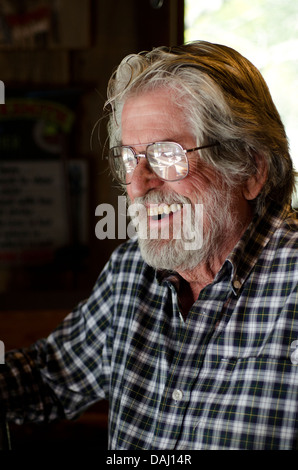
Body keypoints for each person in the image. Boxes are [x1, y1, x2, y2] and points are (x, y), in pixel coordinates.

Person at [1, 40, 298, 450]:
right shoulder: (130, 271)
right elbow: (46, 378)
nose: (138, 185)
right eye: (128, 157)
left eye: (167, 155)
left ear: (249, 169)